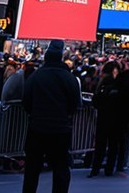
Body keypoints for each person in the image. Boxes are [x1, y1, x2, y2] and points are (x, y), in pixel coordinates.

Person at [22, 39, 82, 193]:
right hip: (60, 128)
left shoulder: (36, 76)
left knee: (32, 169)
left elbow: (26, 101)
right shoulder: (69, 78)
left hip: (37, 127)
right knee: (61, 168)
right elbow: (75, 103)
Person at [89, 60, 125, 177]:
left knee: (101, 145)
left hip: (104, 117)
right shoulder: (120, 84)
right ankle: (109, 169)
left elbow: (96, 100)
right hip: (116, 117)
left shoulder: (102, 84)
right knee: (113, 145)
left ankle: (96, 168)